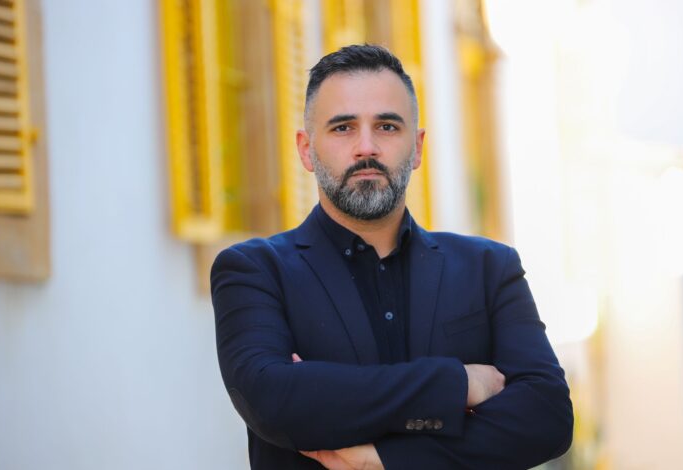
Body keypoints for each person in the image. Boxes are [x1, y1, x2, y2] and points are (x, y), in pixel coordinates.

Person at [211, 44, 573, 470]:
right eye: (343, 128)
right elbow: (275, 402)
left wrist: (384, 458)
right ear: (306, 150)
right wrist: (460, 383)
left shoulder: (489, 268)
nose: (366, 147)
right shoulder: (254, 271)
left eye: (386, 126)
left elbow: (547, 418)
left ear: (417, 148)